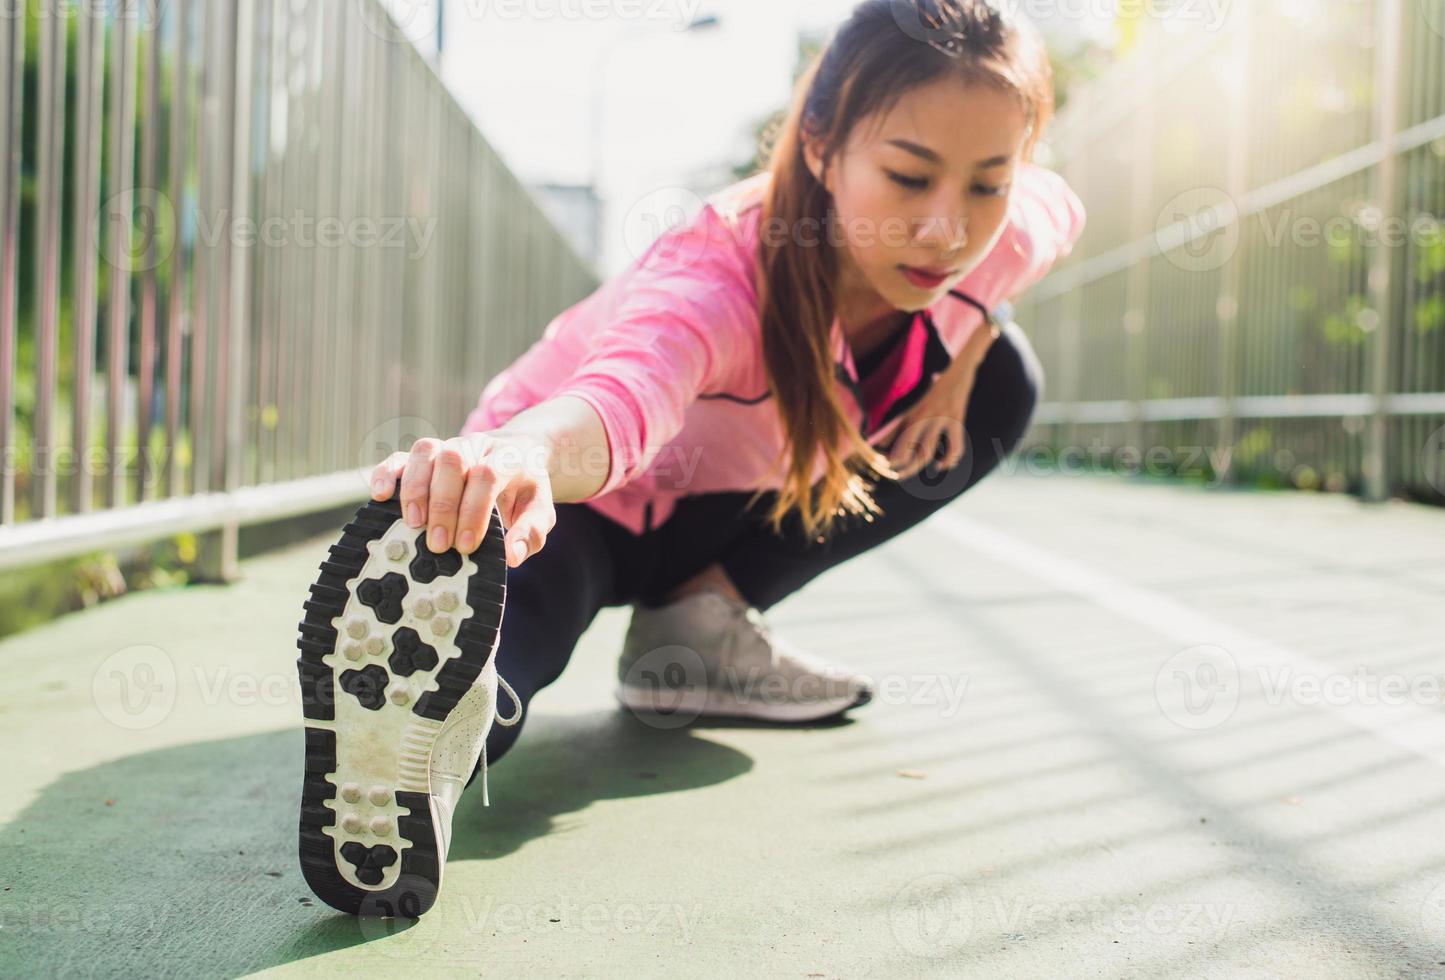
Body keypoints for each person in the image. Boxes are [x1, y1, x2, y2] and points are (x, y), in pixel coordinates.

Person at [298, 0, 1085, 916]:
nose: (948, 231)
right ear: (823, 147)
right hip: (564, 494)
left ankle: (694, 624)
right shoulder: (719, 272)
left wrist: (980, 328)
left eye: (988, 184)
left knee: (1003, 385)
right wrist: (514, 452)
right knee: (500, 661)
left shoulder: (1003, 230)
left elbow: (1055, 211)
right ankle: (426, 744)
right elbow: (626, 393)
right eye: (908, 177)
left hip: (720, 504)